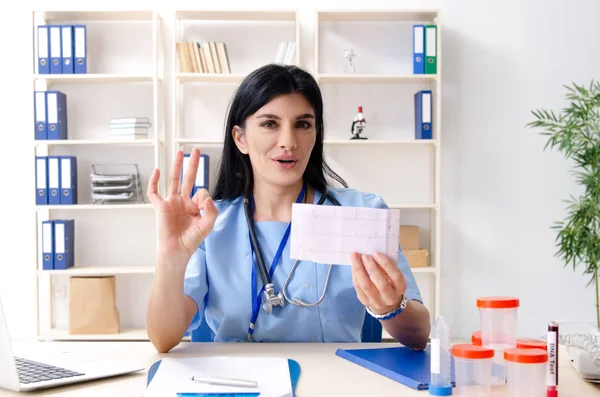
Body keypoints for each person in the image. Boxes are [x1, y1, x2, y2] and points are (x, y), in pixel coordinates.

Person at [145, 64, 430, 353]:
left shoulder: (363, 213)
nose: (288, 142)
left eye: (303, 124)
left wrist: (391, 307)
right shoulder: (209, 223)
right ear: (240, 138)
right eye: (269, 124)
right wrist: (171, 255)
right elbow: (163, 338)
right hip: (242, 384)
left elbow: (419, 335)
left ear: (316, 134)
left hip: (337, 382)